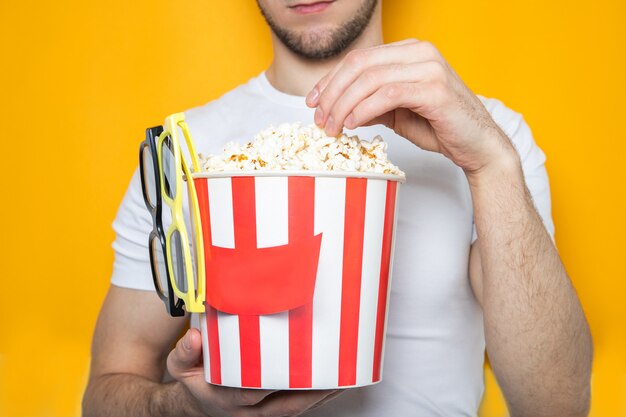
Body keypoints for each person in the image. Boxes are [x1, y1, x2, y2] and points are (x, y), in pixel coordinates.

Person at [82, 0, 593, 416]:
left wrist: (490, 165)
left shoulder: (490, 138)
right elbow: (105, 390)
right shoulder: (184, 152)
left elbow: (557, 406)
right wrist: (183, 408)